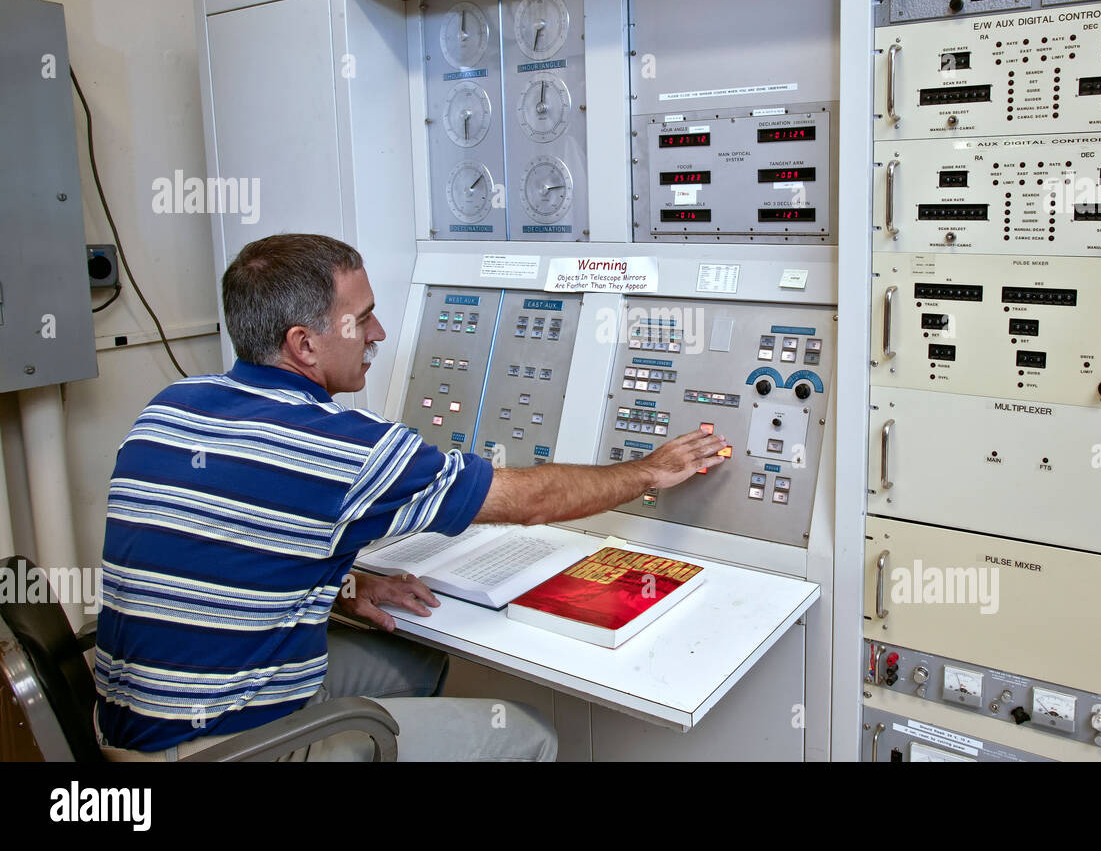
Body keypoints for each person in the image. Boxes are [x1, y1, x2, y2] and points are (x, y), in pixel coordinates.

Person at [92, 233, 729, 761]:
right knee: (529, 733)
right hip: (217, 748)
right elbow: (527, 500)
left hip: (126, 727)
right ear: (304, 344)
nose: (379, 331)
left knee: (414, 667)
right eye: (361, 316)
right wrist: (648, 470)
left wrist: (340, 585)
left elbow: (226, 552)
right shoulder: (343, 448)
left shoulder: (168, 408)